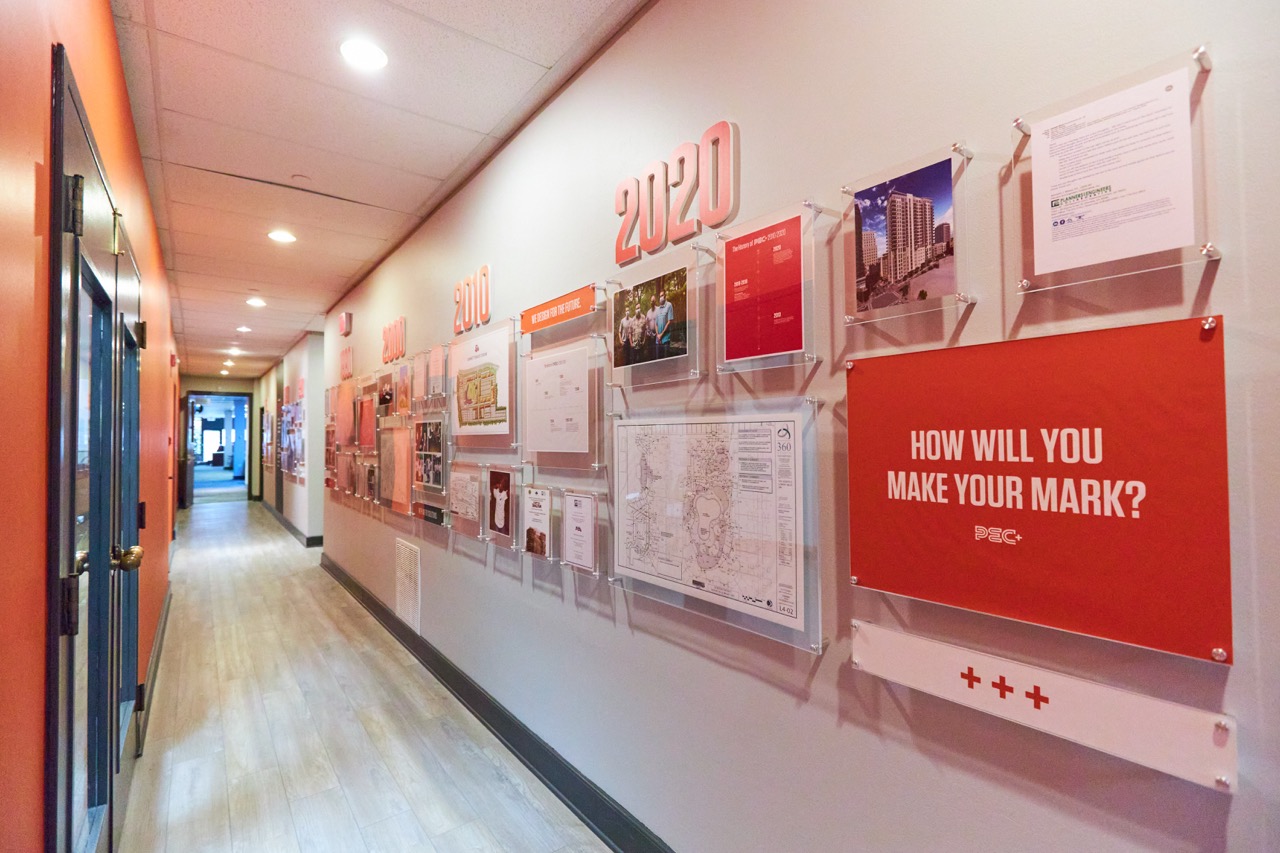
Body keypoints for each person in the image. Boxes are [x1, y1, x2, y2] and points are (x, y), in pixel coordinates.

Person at [654, 289, 675, 360]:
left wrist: (661, 334)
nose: (661, 297)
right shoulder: (657, 309)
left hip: (666, 339)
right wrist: (657, 335)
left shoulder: (669, 305)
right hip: (658, 340)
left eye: (662, 295)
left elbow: (669, 321)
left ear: (665, 296)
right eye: (660, 296)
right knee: (658, 361)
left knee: (666, 361)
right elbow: (656, 324)